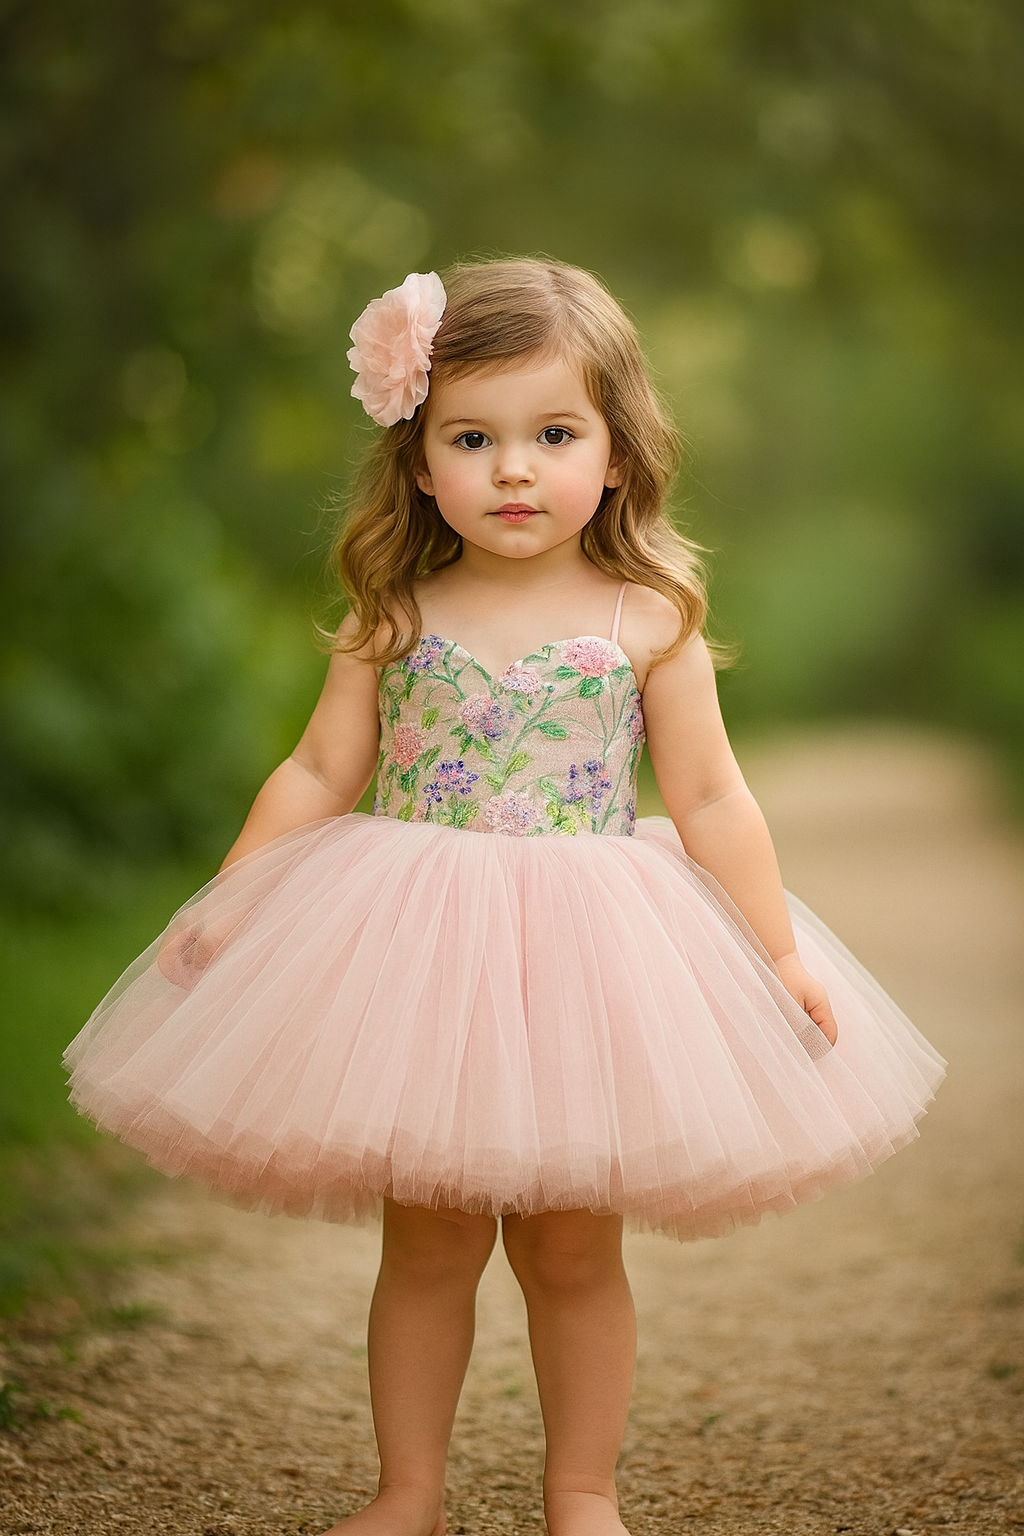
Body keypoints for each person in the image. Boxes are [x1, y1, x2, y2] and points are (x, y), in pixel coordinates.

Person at [65, 259, 945, 1536]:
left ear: (617, 455)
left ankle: (581, 1489)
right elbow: (319, 768)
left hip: (591, 961)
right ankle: (406, 1490)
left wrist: (776, 953)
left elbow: (709, 801)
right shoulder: (398, 611)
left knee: (573, 1249)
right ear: (420, 462)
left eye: (553, 435)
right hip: (419, 953)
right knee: (424, 1246)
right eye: (472, 438)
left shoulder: (649, 618)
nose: (514, 469)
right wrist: (231, 894)